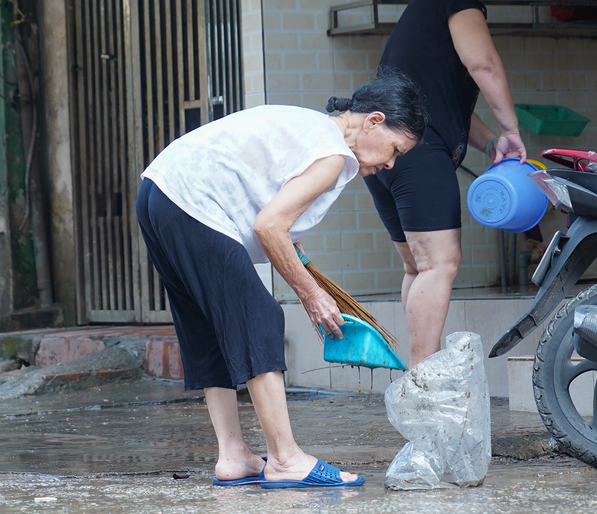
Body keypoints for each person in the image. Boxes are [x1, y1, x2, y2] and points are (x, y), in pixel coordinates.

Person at [135, 72, 426, 489]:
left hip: (158, 192)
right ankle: (286, 459)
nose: (389, 164)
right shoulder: (331, 156)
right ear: (374, 121)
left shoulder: (312, 129)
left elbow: (279, 229)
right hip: (193, 201)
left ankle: (233, 455)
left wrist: (307, 274)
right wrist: (312, 296)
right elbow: (269, 226)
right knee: (261, 317)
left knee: (208, 326)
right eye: (395, 150)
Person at [364, 0, 528, 368]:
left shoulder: (418, 9)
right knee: (439, 264)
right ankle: (423, 378)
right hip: (413, 148)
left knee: (419, 268)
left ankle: (416, 375)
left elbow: (439, 103)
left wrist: (491, 141)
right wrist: (512, 131)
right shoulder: (458, 4)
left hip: (380, 150)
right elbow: (484, 65)